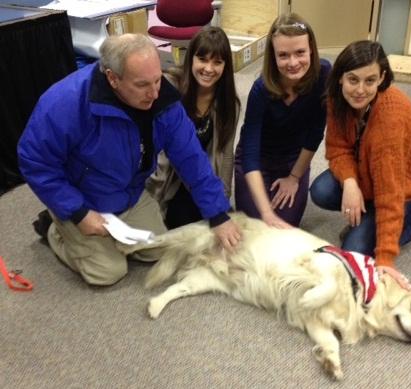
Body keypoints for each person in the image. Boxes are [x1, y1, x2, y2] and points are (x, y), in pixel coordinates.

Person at [18, 33, 241, 286]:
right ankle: (56, 229)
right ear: (112, 78)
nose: (155, 92)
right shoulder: (64, 102)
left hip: (130, 194)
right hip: (84, 197)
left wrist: (219, 214)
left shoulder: (164, 100)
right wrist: (78, 212)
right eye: (143, 85)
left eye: (157, 80)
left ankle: (100, 238)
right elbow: (34, 161)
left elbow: (191, 158)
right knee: (108, 272)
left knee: (161, 249)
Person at [309, 40, 411, 289]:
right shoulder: (336, 100)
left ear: (382, 77)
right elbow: (338, 149)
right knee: (321, 191)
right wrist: (350, 184)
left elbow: (390, 193)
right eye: (353, 80)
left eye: (369, 81)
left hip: (405, 187)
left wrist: (385, 258)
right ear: (340, 78)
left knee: (355, 250)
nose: (360, 90)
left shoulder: (389, 119)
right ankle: (371, 212)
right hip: (365, 172)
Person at [234, 13, 331, 228]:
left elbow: (315, 133)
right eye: (283, 55)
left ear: (311, 49)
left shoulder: (324, 75)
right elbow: (249, 154)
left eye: (300, 52)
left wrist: (294, 177)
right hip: (257, 161)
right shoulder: (261, 89)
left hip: (293, 162)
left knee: (284, 231)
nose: (293, 62)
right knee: (257, 228)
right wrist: (267, 213)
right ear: (273, 56)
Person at [146, 26, 240, 229]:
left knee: (225, 228)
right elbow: (157, 154)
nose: (209, 68)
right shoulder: (169, 87)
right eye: (203, 59)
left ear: (226, 66)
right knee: (183, 226)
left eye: (217, 62)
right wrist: (152, 200)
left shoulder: (229, 103)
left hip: (201, 178)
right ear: (191, 59)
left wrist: (222, 201)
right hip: (169, 178)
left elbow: (225, 154)